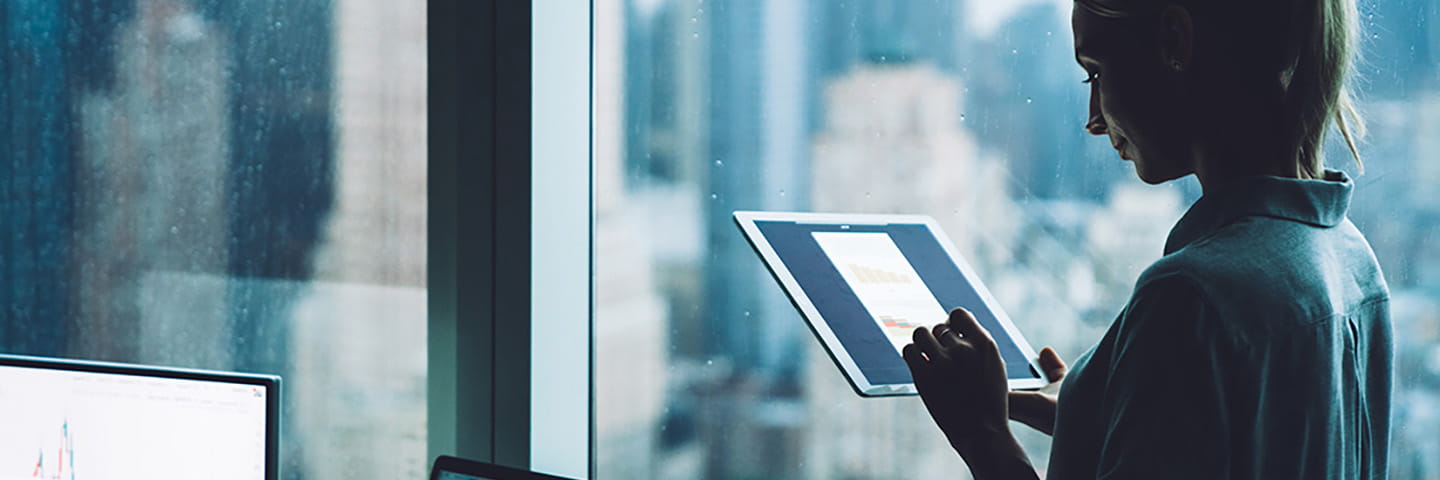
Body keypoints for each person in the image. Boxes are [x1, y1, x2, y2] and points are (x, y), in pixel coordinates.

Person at [902, 0, 1391, 478]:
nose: (1093, 119)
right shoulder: (1354, 263)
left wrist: (984, 436)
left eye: (1095, 73)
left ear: (1174, 42)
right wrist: (1100, 409)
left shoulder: (1189, 299)